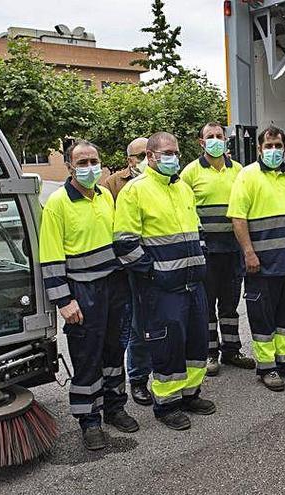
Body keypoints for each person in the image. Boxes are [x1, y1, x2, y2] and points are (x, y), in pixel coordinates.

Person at [38, 140, 138, 451]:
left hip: (112, 286)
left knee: (113, 352)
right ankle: (89, 420)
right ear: (69, 167)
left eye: (93, 160)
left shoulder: (105, 195)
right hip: (82, 291)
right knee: (86, 358)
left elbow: (117, 240)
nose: (89, 167)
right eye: (82, 162)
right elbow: (50, 256)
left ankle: (114, 407)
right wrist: (64, 301)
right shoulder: (57, 203)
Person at [114, 132, 215, 430]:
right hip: (161, 288)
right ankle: (166, 404)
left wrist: (202, 258)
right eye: (167, 152)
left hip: (193, 283)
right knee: (167, 346)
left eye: (176, 152)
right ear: (151, 157)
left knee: (196, 342)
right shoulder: (135, 191)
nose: (173, 157)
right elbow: (124, 243)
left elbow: (197, 230)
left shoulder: (183, 188)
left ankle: (189, 394)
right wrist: (153, 273)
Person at [227, 126, 285, 391]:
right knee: (262, 317)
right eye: (269, 146)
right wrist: (249, 253)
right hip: (261, 265)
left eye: (278, 146)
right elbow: (238, 218)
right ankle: (267, 367)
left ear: (284, 147)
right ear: (259, 148)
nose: (274, 150)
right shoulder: (247, 176)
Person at [181, 122, 256, 376]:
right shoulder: (190, 173)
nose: (215, 140)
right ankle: (210, 353)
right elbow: (184, 210)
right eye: (209, 137)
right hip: (206, 252)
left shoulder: (239, 171)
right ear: (201, 142)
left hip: (233, 250)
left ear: (226, 140)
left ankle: (232, 350)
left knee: (230, 303)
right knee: (207, 305)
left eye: (219, 136)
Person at [104, 136, 153, 407]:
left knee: (156, 324)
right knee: (137, 327)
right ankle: (138, 379)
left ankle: (161, 375)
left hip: (156, 265)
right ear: (129, 161)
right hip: (127, 267)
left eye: (149, 154)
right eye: (140, 156)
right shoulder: (112, 185)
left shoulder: (163, 181)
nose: (146, 160)